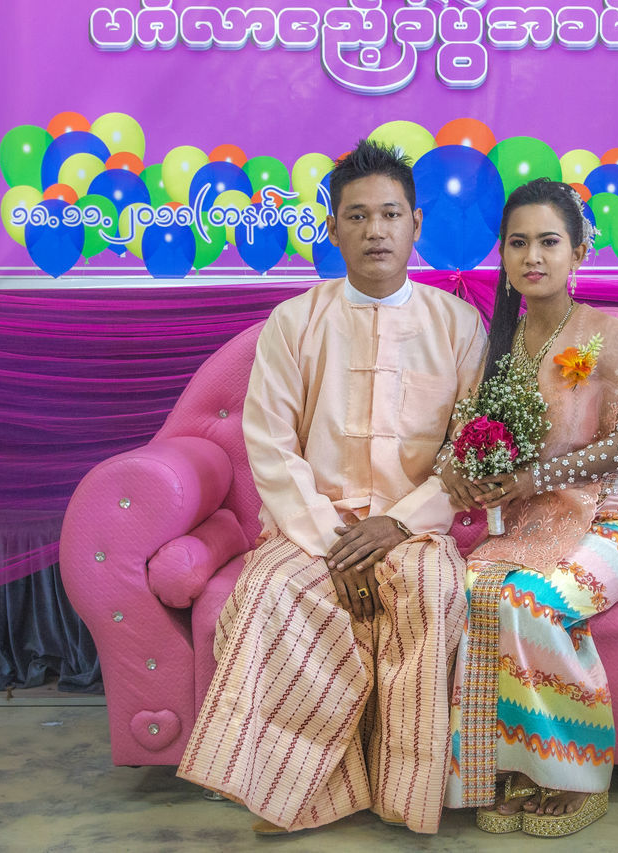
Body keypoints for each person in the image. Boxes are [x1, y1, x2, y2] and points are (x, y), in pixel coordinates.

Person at [176, 140, 486, 835]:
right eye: (358, 216)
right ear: (332, 227)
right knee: (271, 591)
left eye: (390, 214)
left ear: (416, 224)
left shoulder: (460, 326)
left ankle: (406, 794)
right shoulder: (295, 322)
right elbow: (271, 446)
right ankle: (297, 791)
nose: (376, 230)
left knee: (433, 593)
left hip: (417, 528)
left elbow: (469, 455)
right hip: (312, 523)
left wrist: (398, 524)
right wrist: (330, 540)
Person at [440, 178, 618, 837]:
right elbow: (464, 432)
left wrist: (537, 473)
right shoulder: (497, 349)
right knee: (475, 586)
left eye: (548, 241)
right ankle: (506, 765)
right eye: (518, 243)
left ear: (579, 251)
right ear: (503, 256)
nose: (532, 256)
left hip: (611, 523)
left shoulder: (601, 340)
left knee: (531, 599)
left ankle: (574, 771)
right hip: (529, 524)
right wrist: (469, 476)